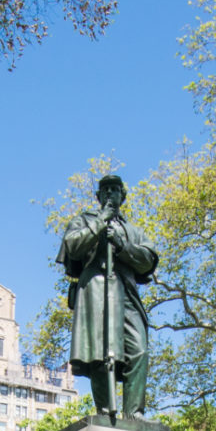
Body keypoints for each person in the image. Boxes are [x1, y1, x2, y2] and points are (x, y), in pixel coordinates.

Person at [56, 174, 159, 417]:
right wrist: (100, 223)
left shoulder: (134, 231)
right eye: (106, 190)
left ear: (123, 196)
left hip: (126, 293)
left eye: (115, 189)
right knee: (100, 351)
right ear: (99, 196)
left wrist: (122, 246)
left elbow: (147, 261)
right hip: (96, 290)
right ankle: (104, 410)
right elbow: (72, 246)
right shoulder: (84, 220)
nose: (111, 193)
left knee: (139, 350)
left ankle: (134, 412)